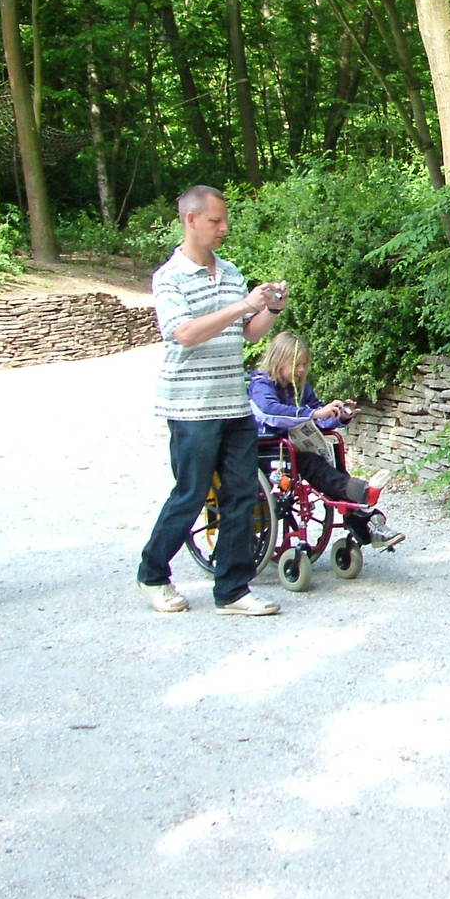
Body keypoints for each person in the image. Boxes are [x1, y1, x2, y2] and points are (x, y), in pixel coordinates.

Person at [137, 185, 288, 617]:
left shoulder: (233, 272)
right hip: (190, 406)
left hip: (233, 403)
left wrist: (271, 309)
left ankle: (232, 591)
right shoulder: (169, 277)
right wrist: (243, 303)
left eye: (225, 220)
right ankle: (152, 574)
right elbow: (183, 333)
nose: (224, 228)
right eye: (215, 221)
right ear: (191, 220)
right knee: (191, 494)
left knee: (243, 495)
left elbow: (247, 334)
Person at [248, 330, 404, 550]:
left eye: (304, 364)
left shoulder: (300, 387)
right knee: (310, 463)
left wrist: (338, 415)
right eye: (296, 364)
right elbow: (270, 412)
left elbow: (318, 416)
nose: (301, 370)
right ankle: (363, 498)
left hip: (297, 448)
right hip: (268, 452)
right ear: (278, 359)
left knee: (332, 455)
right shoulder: (261, 385)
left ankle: (366, 519)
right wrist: (313, 414)